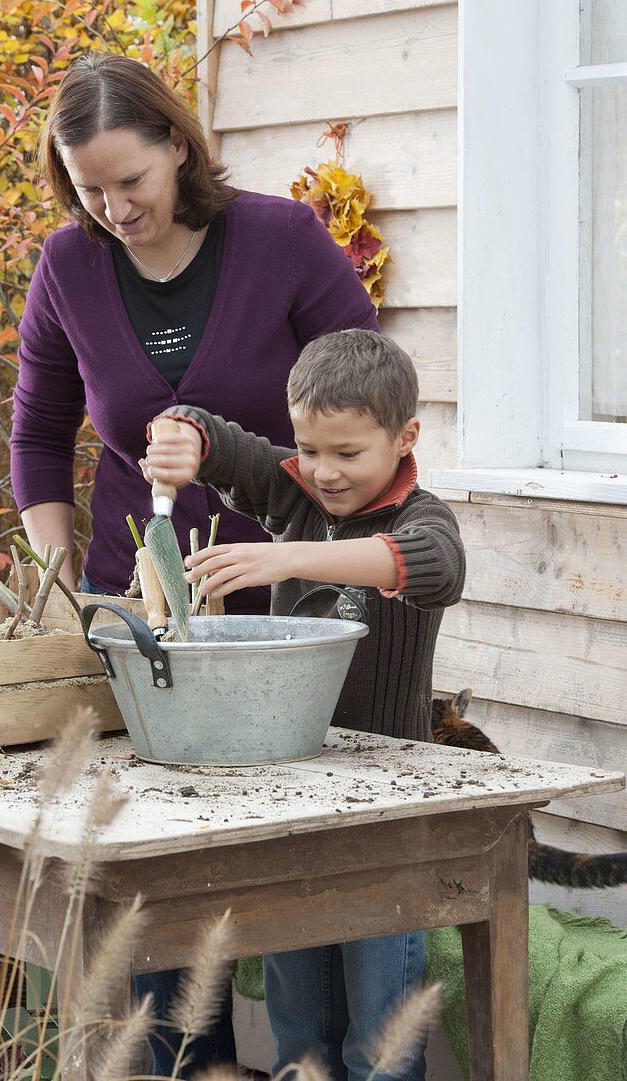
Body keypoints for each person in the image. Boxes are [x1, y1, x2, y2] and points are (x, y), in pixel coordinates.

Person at [9, 51, 379, 1074]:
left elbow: (368, 412)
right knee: (151, 861)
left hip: (287, 599)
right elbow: (39, 438)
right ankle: (188, 1061)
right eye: (90, 188)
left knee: (273, 851)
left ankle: (307, 1051)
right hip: (141, 611)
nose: (115, 207)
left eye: (131, 179)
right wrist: (63, 586)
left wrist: (260, 481)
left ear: (177, 143)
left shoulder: (280, 240)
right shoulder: (67, 267)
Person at [143, 329, 467, 1081]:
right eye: (309, 449)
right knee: (300, 1031)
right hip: (291, 800)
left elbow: (428, 565)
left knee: (379, 1043)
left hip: (387, 815)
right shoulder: (296, 491)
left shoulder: (425, 517)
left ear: (405, 437)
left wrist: (286, 555)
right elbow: (210, 433)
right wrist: (179, 438)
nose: (323, 472)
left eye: (347, 454)